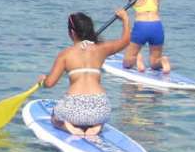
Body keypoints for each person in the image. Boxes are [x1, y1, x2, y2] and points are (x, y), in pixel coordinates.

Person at [38, 9, 132, 137]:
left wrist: (43, 80)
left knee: (55, 117)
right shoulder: (102, 49)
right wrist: (125, 19)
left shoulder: (65, 54)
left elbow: (50, 83)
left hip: (73, 110)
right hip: (100, 108)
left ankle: (68, 127)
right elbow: (126, 40)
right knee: (98, 116)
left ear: (72, 33)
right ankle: (96, 126)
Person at [106, 0, 171, 73]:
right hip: (157, 26)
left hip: (142, 26)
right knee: (154, 63)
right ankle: (163, 61)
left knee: (126, 63)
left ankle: (136, 60)